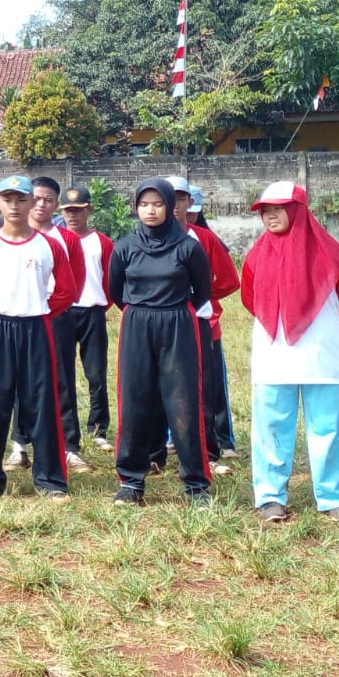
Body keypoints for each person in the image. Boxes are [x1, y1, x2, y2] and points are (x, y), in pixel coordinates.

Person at [240, 182, 339, 526]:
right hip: (273, 351)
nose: (269, 215)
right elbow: (249, 297)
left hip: (322, 351)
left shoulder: (333, 253)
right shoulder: (257, 254)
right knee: (271, 424)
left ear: (299, 210)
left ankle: (334, 499)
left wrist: (311, 322)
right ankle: (271, 497)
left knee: (327, 426)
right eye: (264, 210)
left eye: (278, 208)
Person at [0, 177, 76, 501]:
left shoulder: (49, 245)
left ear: (32, 202)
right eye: (7, 199)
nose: (14, 206)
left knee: (42, 403)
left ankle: (51, 480)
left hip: (36, 328)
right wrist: (3, 308)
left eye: (21, 199)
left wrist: (39, 308)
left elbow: (66, 291)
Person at [107, 178, 212, 506]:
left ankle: (196, 484)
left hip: (178, 323)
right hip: (137, 323)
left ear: (171, 207)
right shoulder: (124, 247)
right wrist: (142, 310)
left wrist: (170, 309)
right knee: (134, 399)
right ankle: (131, 481)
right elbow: (115, 291)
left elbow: (202, 291)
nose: (150, 210)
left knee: (183, 401)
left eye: (158, 204)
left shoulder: (188, 247)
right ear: (136, 207)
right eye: (144, 204)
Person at [6, 176, 87, 472]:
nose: (41, 205)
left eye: (49, 200)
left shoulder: (66, 240)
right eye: (37, 198)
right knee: (19, 380)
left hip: (55, 318)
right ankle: (20, 445)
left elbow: (73, 285)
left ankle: (69, 446)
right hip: (17, 321)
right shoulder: (7, 237)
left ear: (56, 205)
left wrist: (45, 310)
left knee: (62, 379)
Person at [166, 177, 241, 476]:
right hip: (160, 326)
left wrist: (198, 298)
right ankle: (159, 450)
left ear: (188, 205)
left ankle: (209, 451)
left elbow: (228, 280)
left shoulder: (203, 239)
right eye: (168, 199)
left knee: (204, 388)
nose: (174, 206)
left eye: (180, 199)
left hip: (200, 324)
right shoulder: (140, 238)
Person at [57, 186, 114, 452]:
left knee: (96, 373)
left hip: (92, 311)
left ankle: (99, 427)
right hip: (64, 313)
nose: (72, 216)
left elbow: (109, 279)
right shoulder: (55, 240)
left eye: (78, 210)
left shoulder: (101, 242)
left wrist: (102, 304)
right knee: (63, 375)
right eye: (68, 211)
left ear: (89, 210)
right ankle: (67, 428)